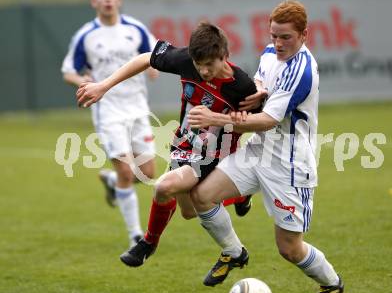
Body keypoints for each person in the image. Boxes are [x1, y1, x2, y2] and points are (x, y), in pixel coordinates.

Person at [188, 0, 344, 293]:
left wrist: (215, 119)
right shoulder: (271, 53)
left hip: (289, 164)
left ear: (304, 35)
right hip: (258, 150)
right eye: (273, 35)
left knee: (289, 248)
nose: (277, 42)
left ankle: (332, 284)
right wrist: (259, 88)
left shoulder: (302, 70)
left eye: (285, 37)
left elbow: (269, 119)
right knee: (202, 195)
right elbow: (261, 78)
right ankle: (234, 252)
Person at [76, 22, 266, 267]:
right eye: (199, 65)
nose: (204, 71)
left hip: (216, 153)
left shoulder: (242, 86)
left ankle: (147, 243)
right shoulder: (187, 60)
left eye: (210, 64)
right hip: (184, 144)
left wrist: (246, 109)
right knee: (189, 211)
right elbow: (145, 58)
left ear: (224, 56)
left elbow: (262, 122)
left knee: (164, 186)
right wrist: (103, 86)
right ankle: (239, 197)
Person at [61, 0, 158, 247]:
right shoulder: (86, 35)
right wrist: (82, 80)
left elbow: (155, 54)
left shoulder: (135, 28)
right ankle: (136, 236)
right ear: (94, 1)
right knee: (128, 172)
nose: (107, 0)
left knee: (148, 172)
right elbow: (68, 70)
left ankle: (113, 181)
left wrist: (154, 68)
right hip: (109, 111)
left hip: (137, 108)